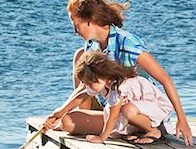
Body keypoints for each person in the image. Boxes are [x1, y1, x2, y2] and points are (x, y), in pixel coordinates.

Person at [44, 0, 193, 146]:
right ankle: (105, 123)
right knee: (68, 118)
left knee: (70, 121)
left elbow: (165, 80)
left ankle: (141, 128)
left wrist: (182, 120)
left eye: (76, 25)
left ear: (89, 21)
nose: (75, 31)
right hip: (113, 106)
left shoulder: (128, 43)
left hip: (140, 111)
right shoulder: (91, 45)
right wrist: (59, 113)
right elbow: (85, 88)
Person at [49, 51, 177, 144]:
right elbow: (82, 96)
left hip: (155, 109)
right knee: (127, 111)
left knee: (127, 110)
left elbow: (113, 115)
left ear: (102, 76)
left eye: (89, 83)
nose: (87, 86)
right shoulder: (102, 83)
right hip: (136, 113)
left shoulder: (119, 86)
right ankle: (139, 131)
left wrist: (101, 138)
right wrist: (60, 113)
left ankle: (153, 131)